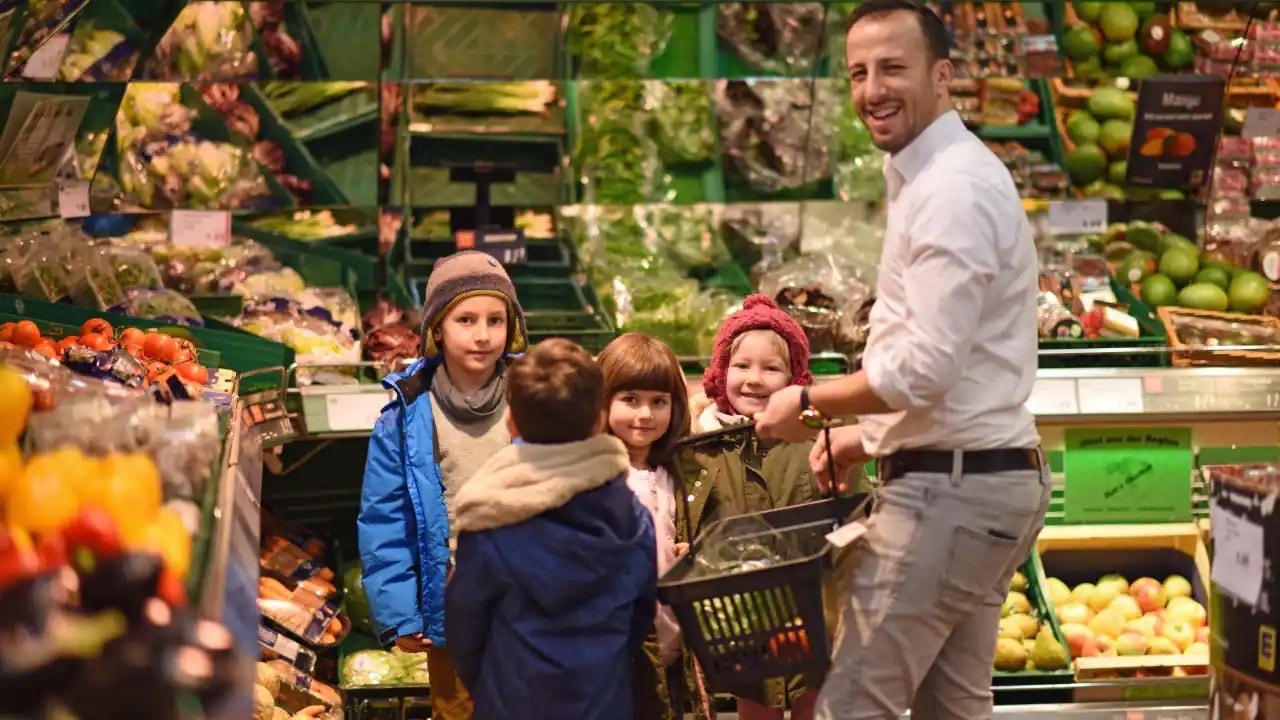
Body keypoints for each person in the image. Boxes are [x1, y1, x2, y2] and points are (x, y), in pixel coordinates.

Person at [753, 2, 1052, 718]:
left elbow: (925, 368)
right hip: (980, 483)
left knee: (853, 708)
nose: (872, 90)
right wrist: (863, 440)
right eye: (858, 73)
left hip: (948, 500)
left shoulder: (951, 189)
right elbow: (946, 367)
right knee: (948, 710)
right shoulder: (932, 175)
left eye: (893, 68)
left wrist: (811, 402)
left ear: (942, 75)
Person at [444, 338, 658, 720]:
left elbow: (465, 629)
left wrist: (490, 688)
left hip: (513, 703)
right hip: (605, 702)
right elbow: (640, 619)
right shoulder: (633, 517)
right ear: (598, 421)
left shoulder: (489, 521)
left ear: (511, 422)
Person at [357, 251, 528, 720]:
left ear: (512, 327)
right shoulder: (406, 412)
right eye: (466, 319)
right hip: (453, 606)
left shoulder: (534, 396)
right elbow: (383, 519)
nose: (482, 334)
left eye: (496, 320)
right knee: (459, 710)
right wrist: (399, 613)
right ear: (437, 328)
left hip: (531, 600)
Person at [682, 294, 827, 720]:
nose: (753, 379)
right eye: (741, 366)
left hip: (809, 601)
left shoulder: (813, 435)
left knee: (811, 696)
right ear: (721, 371)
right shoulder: (702, 445)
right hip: (742, 610)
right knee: (755, 701)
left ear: (795, 378)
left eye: (771, 368)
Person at [596, 333, 716, 720]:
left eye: (658, 402)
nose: (645, 415)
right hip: (615, 651)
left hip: (675, 645)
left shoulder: (683, 474)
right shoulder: (595, 477)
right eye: (630, 400)